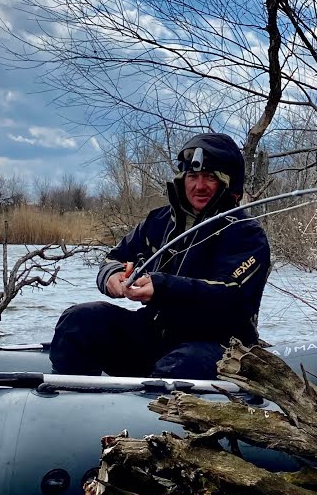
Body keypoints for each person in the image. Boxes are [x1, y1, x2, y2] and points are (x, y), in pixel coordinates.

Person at [49, 132, 270, 379]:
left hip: (220, 345)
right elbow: (114, 258)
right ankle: (74, 404)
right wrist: (112, 276)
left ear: (227, 182)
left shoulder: (247, 233)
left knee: (181, 365)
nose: (199, 186)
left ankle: (149, 410)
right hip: (156, 332)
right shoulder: (159, 221)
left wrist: (163, 287)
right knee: (79, 321)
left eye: (209, 177)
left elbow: (232, 297)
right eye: (193, 176)